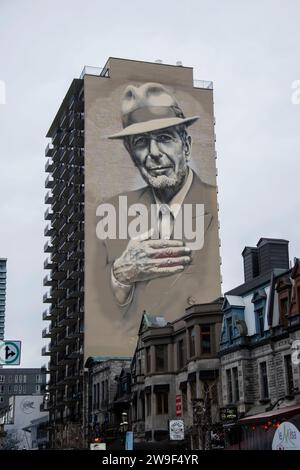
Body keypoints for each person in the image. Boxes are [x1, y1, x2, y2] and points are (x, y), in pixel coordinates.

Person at [95, 82, 221, 335]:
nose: (154, 153)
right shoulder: (111, 213)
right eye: (141, 142)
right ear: (131, 153)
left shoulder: (210, 201)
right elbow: (107, 317)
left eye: (164, 138)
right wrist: (120, 277)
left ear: (186, 145)